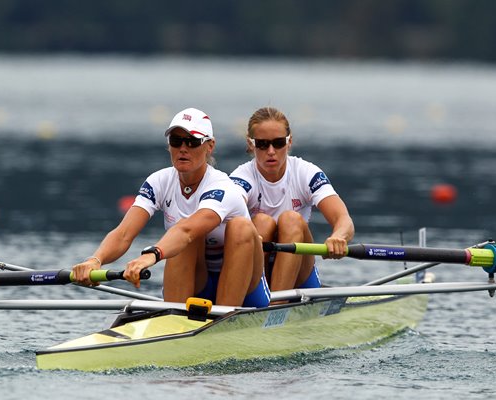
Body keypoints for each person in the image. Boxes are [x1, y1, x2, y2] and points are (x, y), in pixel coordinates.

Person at [73, 107, 270, 307]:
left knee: (237, 227)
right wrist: (95, 260)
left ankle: (226, 318)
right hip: (197, 279)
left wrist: (151, 256)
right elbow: (124, 233)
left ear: (210, 146)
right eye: (176, 141)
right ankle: (175, 321)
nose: (183, 148)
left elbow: (188, 230)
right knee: (180, 237)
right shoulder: (158, 181)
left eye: (192, 142)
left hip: (246, 288)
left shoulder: (223, 186)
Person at [229, 106, 354, 292]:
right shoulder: (241, 178)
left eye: (278, 143)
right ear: (251, 144)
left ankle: (274, 306)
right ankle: (259, 297)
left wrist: (338, 237)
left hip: (300, 274)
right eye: (262, 144)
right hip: (255, 267)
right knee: (261, 222)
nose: (271, 151)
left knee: (291, 219)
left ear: (289, 142)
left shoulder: (306, 173)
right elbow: (227, 212)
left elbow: (343, 219)